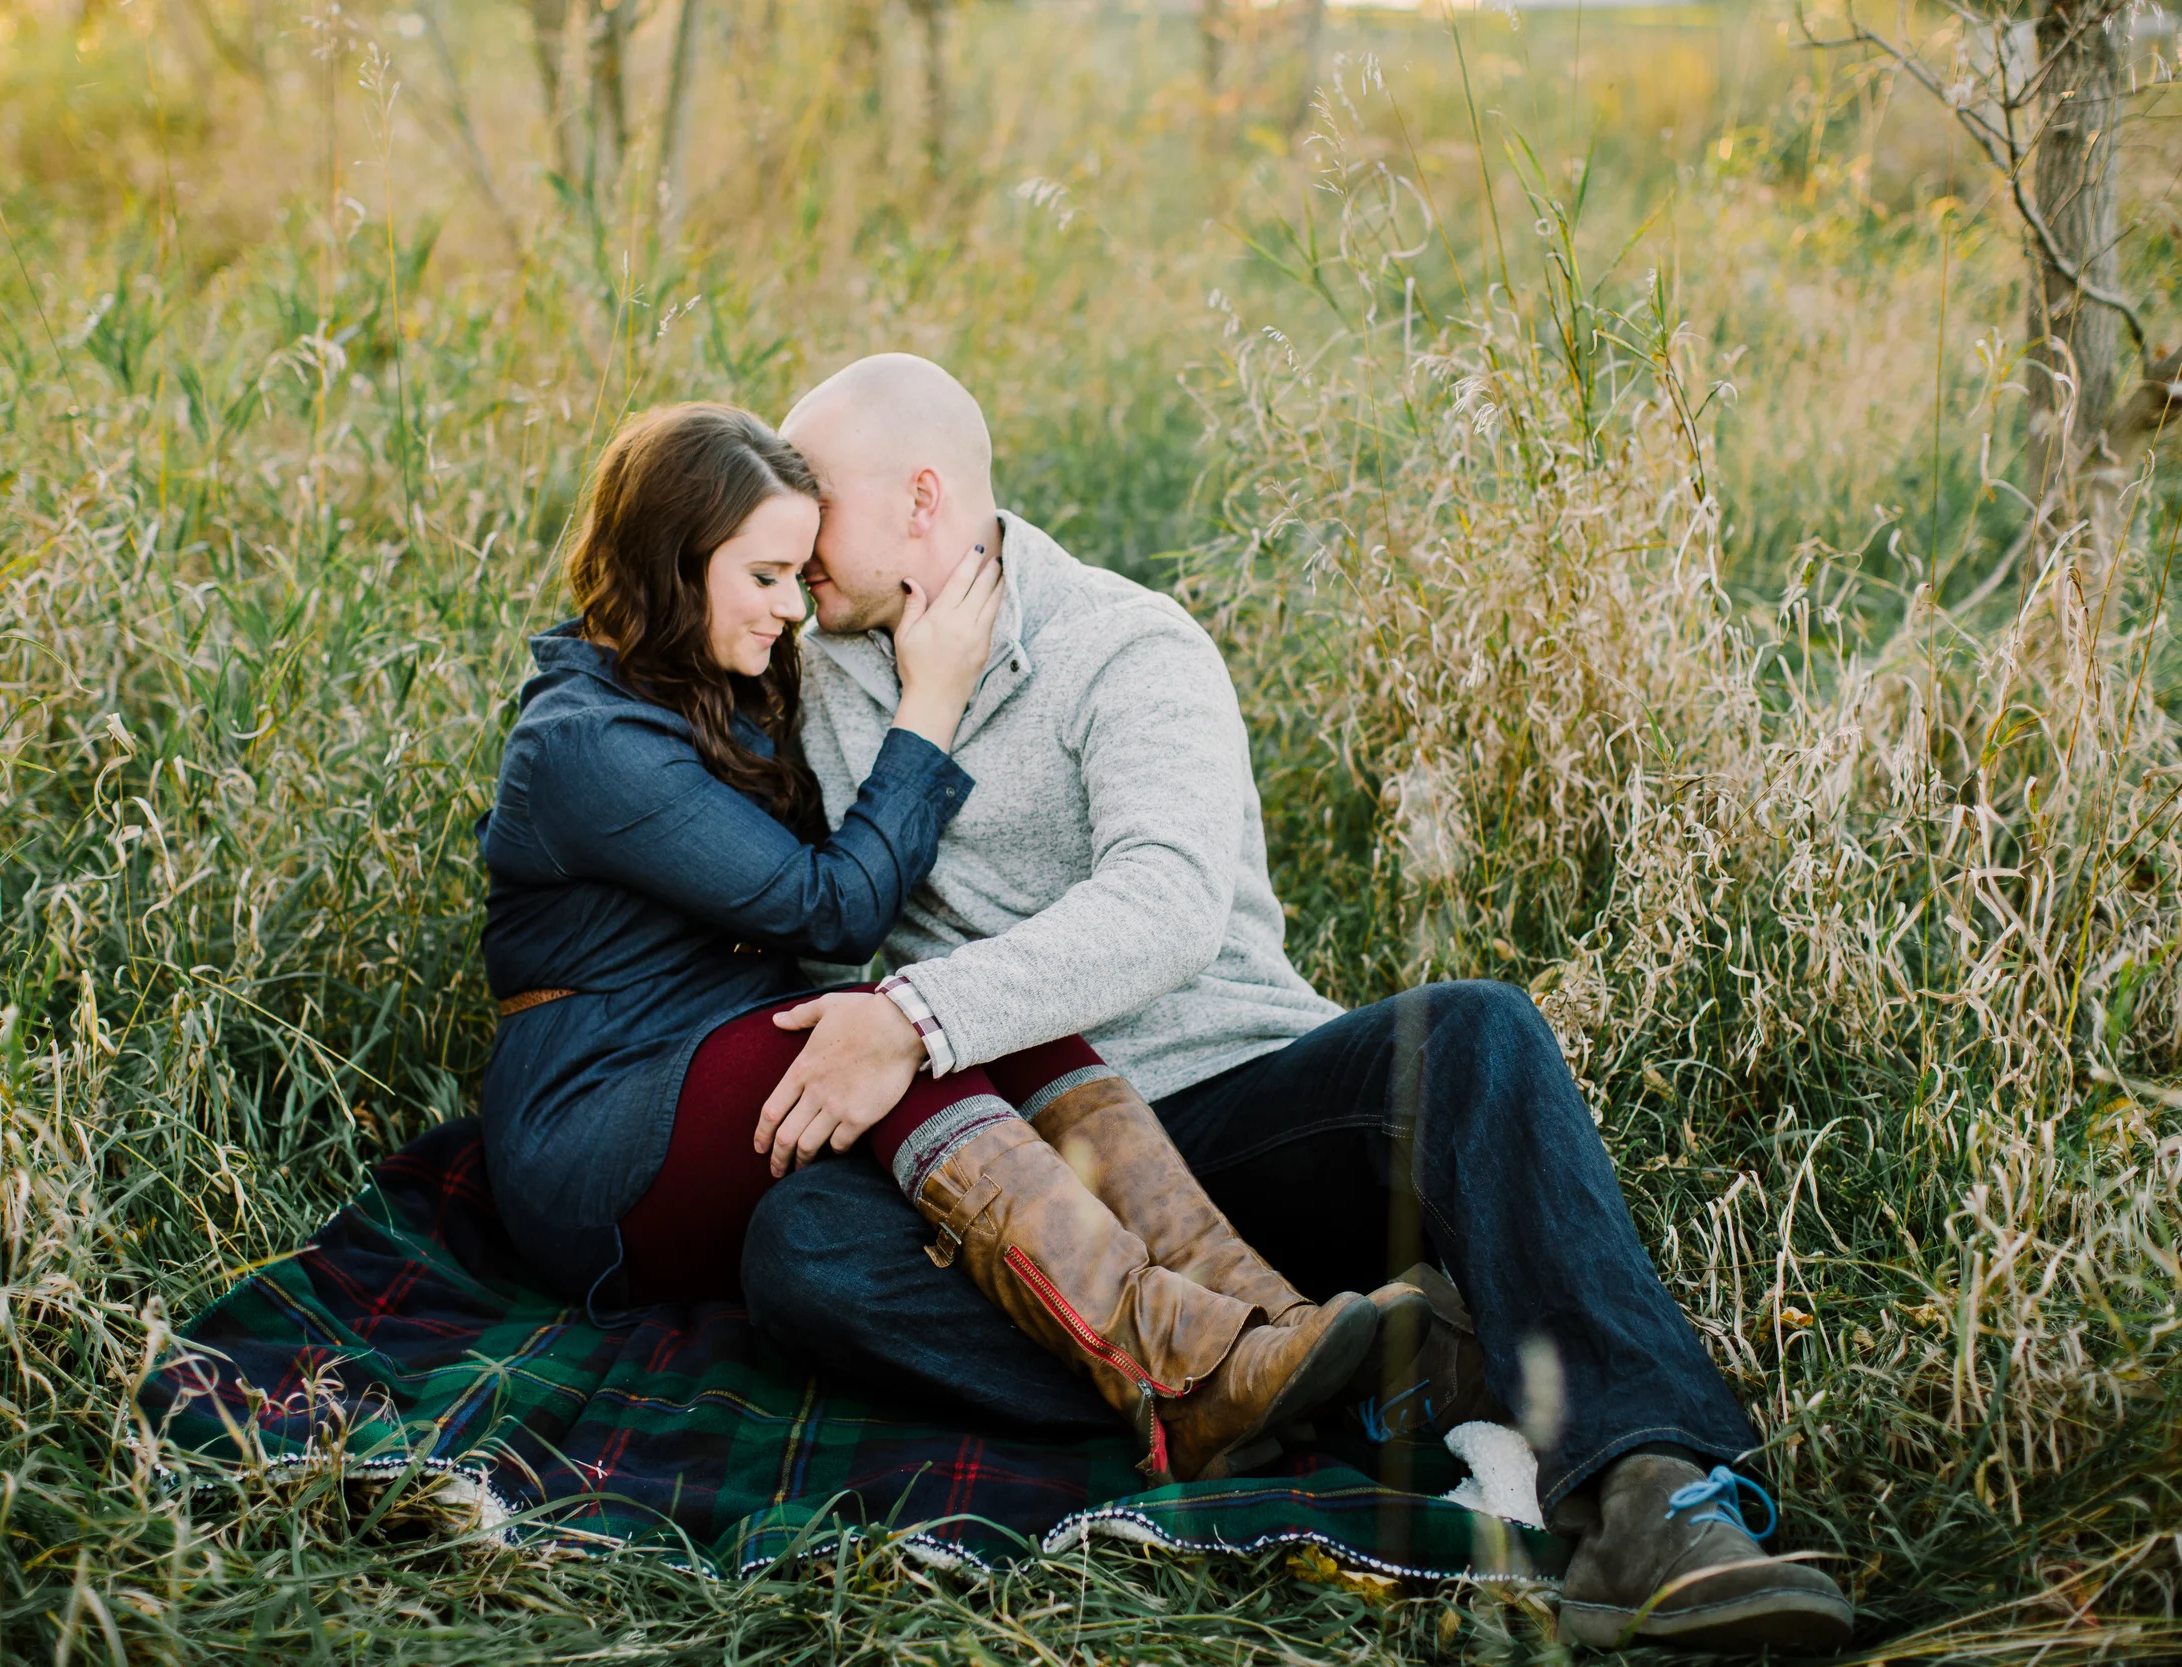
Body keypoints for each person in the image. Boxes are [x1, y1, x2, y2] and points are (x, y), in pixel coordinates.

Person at [737, 354, 1855, 1654]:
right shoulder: (807, 676)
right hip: (1008, 1175)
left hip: (1213, 1105)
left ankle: (1659, 1494)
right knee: (801, 1246)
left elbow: (1164, 908)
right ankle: (1323, 1375)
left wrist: (917, 1015)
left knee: (1476, 1030)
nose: (791, 531)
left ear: (923, 498)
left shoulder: (1127, 647)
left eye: (814, 494)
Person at [474, 401, 1395, 1485]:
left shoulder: (703, 684)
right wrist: (937, 697)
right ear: (676, 562)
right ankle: (1171, 1369)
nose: (789, 606)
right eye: (765, 575)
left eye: (795, 575)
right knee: (893, 1021)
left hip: (710, 1076)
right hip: (597, 1125)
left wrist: (923, 1012)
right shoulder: (586, 745)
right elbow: (832, 913)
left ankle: (1259, 1321)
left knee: (962, 1006)